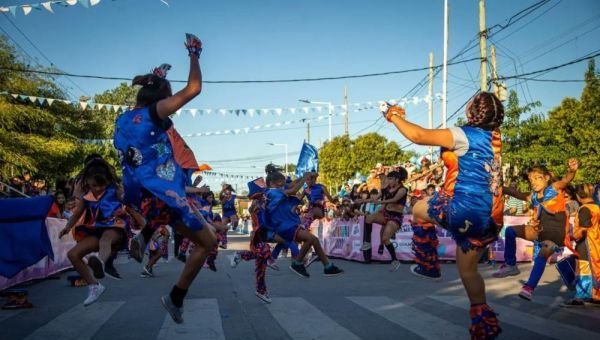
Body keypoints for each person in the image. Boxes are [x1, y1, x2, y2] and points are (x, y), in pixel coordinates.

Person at [381, 92, 504, 339]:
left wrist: (392, 116)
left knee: (417, 209)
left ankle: (429, 266)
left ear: (472, 112)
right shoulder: (494, 140)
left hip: (465, 209)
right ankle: (484, 326)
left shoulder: (462, 134)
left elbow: (418, 136)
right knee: (468, 271)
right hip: (492, 218)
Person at [113, 33, 217, 324]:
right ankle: (175, 297)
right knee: (208, 243)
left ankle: (139, 237)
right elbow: (194, 89)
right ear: (161, 97)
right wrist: (195, 54)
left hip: (142, 193)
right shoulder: (153, 112)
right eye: (169, 95)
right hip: (162, 193)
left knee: (193, 231)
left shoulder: (121, 120)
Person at [493, 159, 578, 303]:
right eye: (531, 179)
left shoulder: (554, 188)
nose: (533, 182)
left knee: (542, 255)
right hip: (540, 231)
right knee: (510, 232)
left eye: (537, 178)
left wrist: (572, 170)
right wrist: (503, 188)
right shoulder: (533, 196)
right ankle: (511, 265)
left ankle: (529, 287)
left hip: (555, 233)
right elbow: (519, 194)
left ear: (547, 178)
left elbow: (565, 180)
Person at [59, 158, 128, 306]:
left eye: (101, 185)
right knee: (73, 254)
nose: (97, 189)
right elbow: (77, 214)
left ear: (107, 180)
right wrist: (67, 227)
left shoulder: (114, 189)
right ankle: (94, 286)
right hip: (97, 228)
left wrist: (124, 197)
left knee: (105, 240)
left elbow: (128, 202)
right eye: (94, 185)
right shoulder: (87, 197)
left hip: (116, 227)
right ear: (88, 182)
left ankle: (100, 263)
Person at [264, 164, 343, 278]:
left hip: (289, 224)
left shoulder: (277, 189)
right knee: (311, 239)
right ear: (272, 184)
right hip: (284, 226)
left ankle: (328, 266)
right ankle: (298, 263)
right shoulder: (272, 193)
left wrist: (303, 177)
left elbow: (291, 184)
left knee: (314, 240)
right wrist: (305, 179)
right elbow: (293, 190)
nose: (284, 185)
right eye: (281, 183)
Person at [228, 177, 273, 303]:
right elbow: (253, 209)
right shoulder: (256, 204)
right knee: (264, 253)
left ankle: (261, 290)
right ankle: (242, 255)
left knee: (261, 264)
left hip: (263, 234)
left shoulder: (264, 202)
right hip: (258, 235)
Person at [561, 183, 600, 307]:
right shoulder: (597, 207)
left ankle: (580, 297)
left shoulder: (584, 209)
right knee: (594, 269)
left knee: (583, 269)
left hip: (585, 244)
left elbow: (583, 230)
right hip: (596, 242)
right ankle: (595, 295)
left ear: (578, 196)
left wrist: (571, 237)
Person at [361, 170, 408, 271]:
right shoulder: (386, 189)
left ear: (397, 180)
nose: (388, 181)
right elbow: (375, 198)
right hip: (385, 214)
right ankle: (367, 243)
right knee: (369, 217)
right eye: (388, 179)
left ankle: (395, 260)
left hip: (395, 217)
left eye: (390, 179)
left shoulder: (402, 189)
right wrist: (363, 200)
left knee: (385, 239)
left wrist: (380, 202)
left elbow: (394, 200)